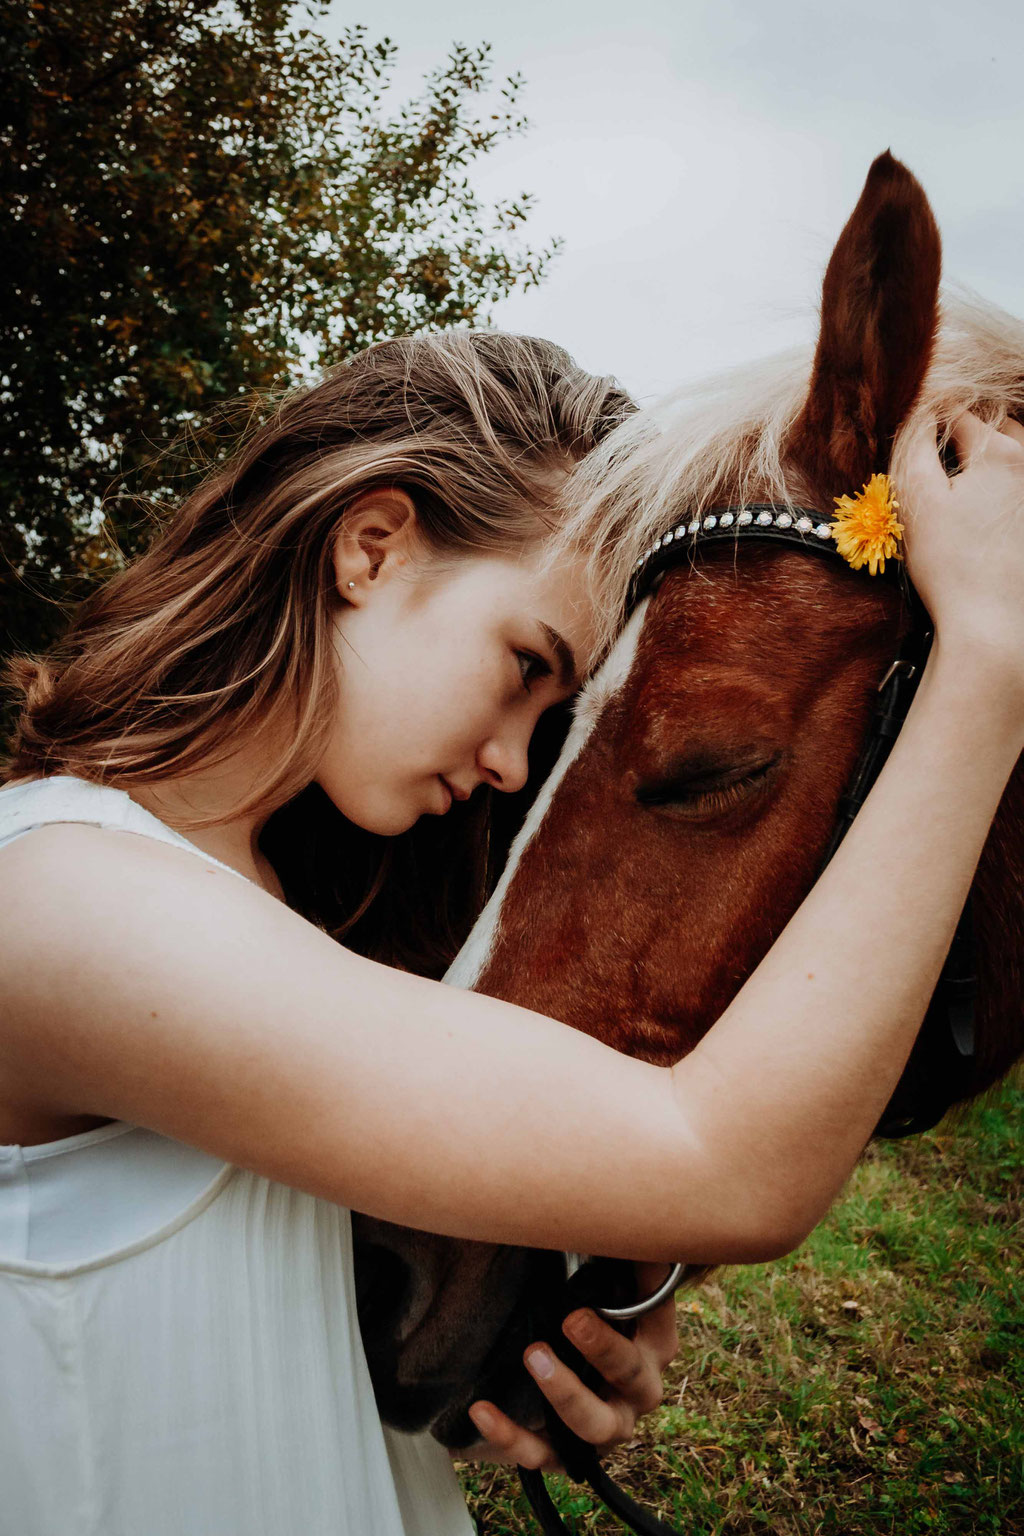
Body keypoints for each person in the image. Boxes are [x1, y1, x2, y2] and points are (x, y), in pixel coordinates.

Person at [0, 329, 1022, 1536]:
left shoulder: (293, 910)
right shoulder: (56, 897)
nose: (508, 762)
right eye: (525, 664)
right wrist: (990, 669)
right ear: (371, 549)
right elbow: (721, 1166)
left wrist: (576, 1332)